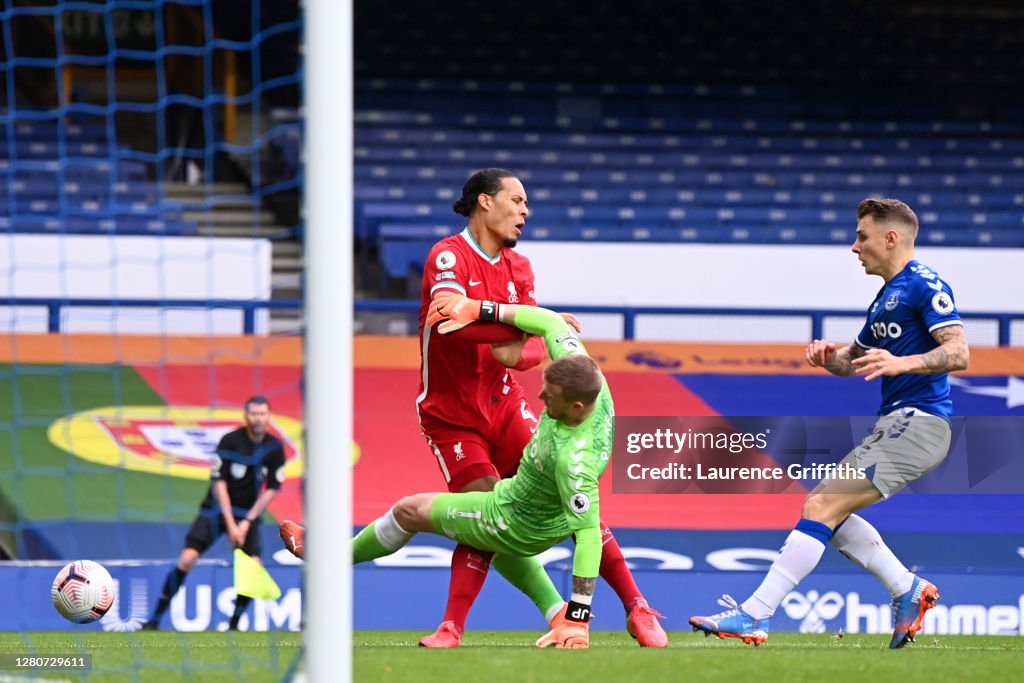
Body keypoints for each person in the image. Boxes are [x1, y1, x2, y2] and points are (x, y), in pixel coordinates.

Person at [689, 198, 969, 648]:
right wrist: (829, 359)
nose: (854, 247)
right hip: (896, 425)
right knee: (824, 510)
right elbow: (851, 361)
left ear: (891, 237)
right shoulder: (884, 300)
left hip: (920, 424)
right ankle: (906, 589)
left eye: (862, 236)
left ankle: (754, 614)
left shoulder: (925, 284)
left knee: (821, 509)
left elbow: (959, 351)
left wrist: (904, 362)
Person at [411, 168, 666, 647]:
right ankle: (454, 625)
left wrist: (524, 334)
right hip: (451, 413)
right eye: (518, 200)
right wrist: (524, 326)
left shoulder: (520, 268)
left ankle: (637, 605)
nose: (526, 211)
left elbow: (522, 356)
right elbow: (448, 317)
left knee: (567, 490)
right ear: (485, 203)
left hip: (504, 404)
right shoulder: (448, 254)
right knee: (486, 507)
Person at [283, 298, 618, 649]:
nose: (540, 397)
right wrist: (479, 309)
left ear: (576, 407)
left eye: (550, 398)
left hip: (515, 518)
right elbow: (549, 321)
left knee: (408, 511)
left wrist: (579, 618)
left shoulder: (574, 462)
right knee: (447, 508)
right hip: (529, 501)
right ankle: (557, 611)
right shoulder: (587, 376)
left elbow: (590, 537)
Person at [141, 396, 286, 631]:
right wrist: (231, 523)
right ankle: (154, 620)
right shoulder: (230, 442)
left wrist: (247, 521)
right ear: (245, 416)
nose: (258, 419)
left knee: (253, 567)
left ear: (268, 417)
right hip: (216, 510)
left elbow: (272, 488)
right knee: (187, 559)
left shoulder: (274, 448)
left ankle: (234, 625)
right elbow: (219, 484)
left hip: (247, 515)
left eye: (262, 414)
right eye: (253, 414)